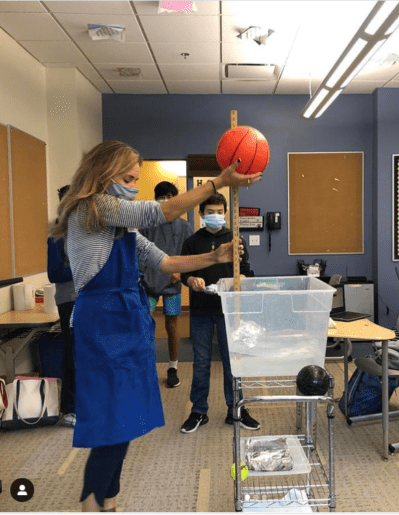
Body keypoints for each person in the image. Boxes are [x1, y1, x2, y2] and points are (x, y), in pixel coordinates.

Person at [49, 140, 260, 512]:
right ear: (104, 172)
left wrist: (214, 255)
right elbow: (159, 212)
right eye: (128, 178)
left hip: (126, 319)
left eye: (135, 180)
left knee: (125, 419)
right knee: (109, 421)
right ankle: (95, 502)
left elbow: (165, 263)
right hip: (102, 323)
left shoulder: (120, 225)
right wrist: (217, 182)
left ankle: (106, 498)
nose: (133, 186)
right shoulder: (92, 208)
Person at [179, 193, 260, 434]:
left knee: (232, 362)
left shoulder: (235, 240)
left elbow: (246, 271)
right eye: (210, 212)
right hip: (201, 310)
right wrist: (191, 279)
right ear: (202, 214)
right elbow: (184, 273)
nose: (215, 216)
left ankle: (236, 408)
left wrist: (237, 281)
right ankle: (198, 411)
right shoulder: (192, 242)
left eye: (219, 212)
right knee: (201, 362)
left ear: (226, 213)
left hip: (229, 310)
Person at [140, 181, 194, 388]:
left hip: (173, 285)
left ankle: (173, 367)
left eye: (170, 196)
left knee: (172, 325)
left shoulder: (184, 226)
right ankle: (146, 368)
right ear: (155, 200)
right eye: (162, 196)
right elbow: (138, 253)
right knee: (146, 325)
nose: (166, 200)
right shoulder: (147, 225)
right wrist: (142, 276)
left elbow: (190, 255)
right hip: (149, 285)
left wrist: (180, 271)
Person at [47, 185, 77, 427]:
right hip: (69, 300)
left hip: (91, 299)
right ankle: (69, 408)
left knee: (91, 353)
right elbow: (55, 272)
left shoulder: (88, 230)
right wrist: (84, 268)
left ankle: (89, 405)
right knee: (73, 353)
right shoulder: (57, 233)